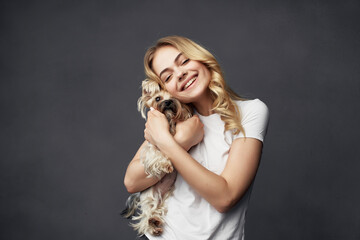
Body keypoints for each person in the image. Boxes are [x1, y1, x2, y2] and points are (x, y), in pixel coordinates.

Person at [124, 36, 269, 240]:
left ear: (201, 58)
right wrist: (181, 141)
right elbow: (132, 181)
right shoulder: (173, 120)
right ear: (165, 89)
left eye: (184, 61)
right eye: (167, 77)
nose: (181, 74)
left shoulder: (250, 112)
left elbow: (225, 198)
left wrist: (168, 143)